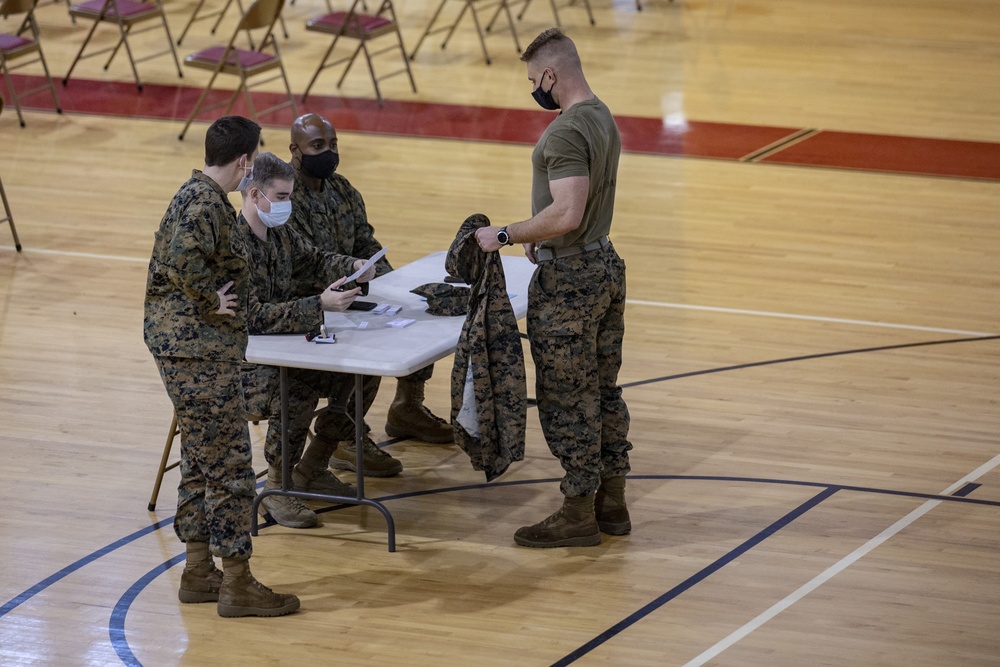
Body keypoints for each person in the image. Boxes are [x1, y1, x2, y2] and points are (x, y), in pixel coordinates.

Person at [474, 28, 633, 548]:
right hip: (603, 265)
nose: (533, 90)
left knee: (568, 398)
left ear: (549, 75)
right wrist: (541, 235)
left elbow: (567, 212)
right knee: (604, 389)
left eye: (532, 80)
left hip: (570, 284)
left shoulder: (565, 132)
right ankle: (612, 501)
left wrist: (503, 234)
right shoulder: (602, 115)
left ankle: (577, 511)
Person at [144, 116, 299, 617]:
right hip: (197, 351)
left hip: (194, 349)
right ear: (244, 161)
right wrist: (211, 300)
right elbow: (181, 256)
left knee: (200, 457)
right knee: (232, 465)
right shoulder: (204, 204)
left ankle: (197, 569)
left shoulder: (200, 197)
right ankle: (237, 581)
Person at [285, 112, 453, 479]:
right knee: (370, 355)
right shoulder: (283, 198)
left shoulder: (342, 189)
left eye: (333, 144)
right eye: (318, 146)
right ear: (294, 151)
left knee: (417, 314)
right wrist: (353, 269)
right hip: (310, 304)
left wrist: (395, 285)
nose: (328, 152)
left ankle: (408, 407)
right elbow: (304, 263)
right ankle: (344, 438)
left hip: (350, 295)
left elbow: (366, 241)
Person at [235, 152, 378, 529]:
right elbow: (252, 317)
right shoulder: (234, 247)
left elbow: (313, 261)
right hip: (242, 364)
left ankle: (313, 466)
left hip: (283, 349)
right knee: (295, 390)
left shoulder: (280, 233)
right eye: (281, 197)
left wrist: (350, 266)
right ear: (254, 195)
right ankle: (278, 488)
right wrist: (318, 304)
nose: (287, 205)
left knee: (361, 374)